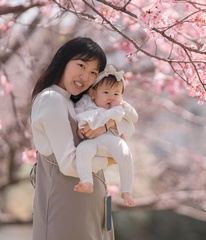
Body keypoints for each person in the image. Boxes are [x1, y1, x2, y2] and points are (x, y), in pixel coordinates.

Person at [31, 37, 117, 240]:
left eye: (94, 72)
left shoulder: (75, 104)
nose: (85, 76)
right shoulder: (51, 99)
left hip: (89, 212)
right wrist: (111, 160)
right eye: (81, 65)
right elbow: (69, 164)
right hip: (67, 214)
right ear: (63, 60)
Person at [74, 64, 138, 207]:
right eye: (106, 92)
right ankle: (87, 182)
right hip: (91, 140)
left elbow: (134, 117)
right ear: (93, 92)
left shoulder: (119, 106)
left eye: (116, 94)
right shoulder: (86, 102)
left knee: (125, 154)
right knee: (82, 151)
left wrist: (122, 106)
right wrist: (81, 127)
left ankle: (127, 190)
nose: (111, 97)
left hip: (111, 140)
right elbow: (77, 114)